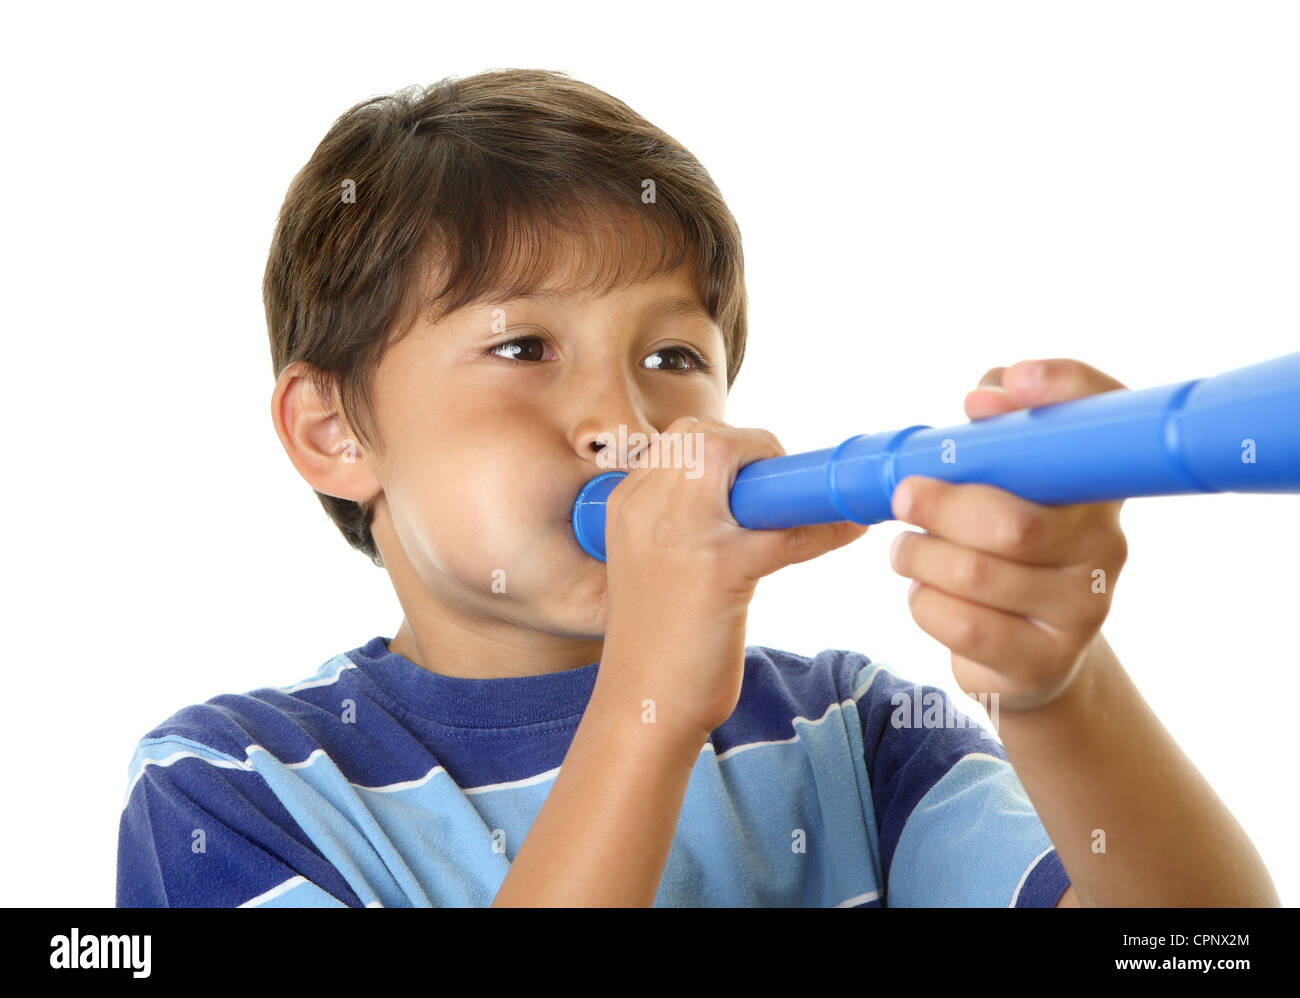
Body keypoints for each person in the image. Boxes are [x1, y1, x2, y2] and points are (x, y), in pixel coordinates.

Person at [116, 68, 1277, 907]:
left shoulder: (850, 732)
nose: (623, 423)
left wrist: (1055, 685)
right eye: (523, 348)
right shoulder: (232, 785)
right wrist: (649, 705)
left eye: (672, 357)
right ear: (332, 432)